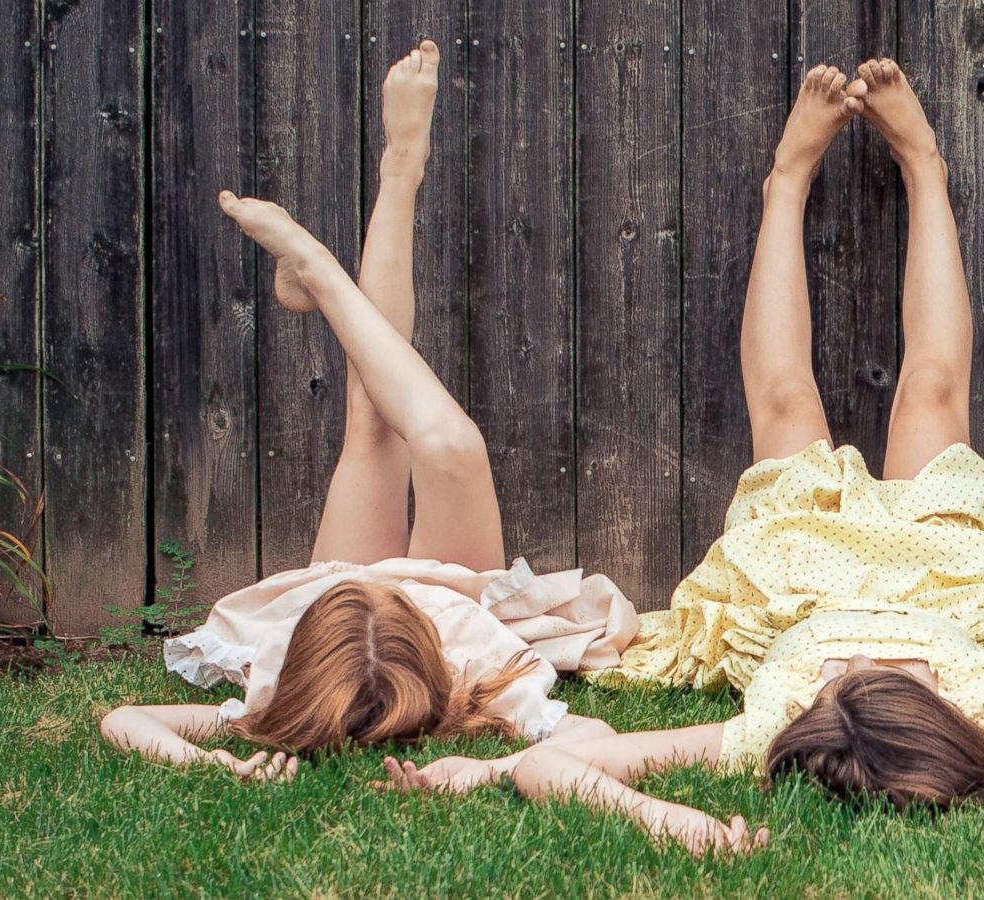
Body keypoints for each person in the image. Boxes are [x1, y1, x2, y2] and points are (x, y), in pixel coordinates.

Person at [376, 59, 984, 856]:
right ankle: (925, 169)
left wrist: (670, 821)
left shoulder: (772, 726)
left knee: (786, 400)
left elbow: (558, 769)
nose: (857, 668)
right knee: (932, 391)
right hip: (943, 575)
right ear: (947, 713)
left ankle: (786, 180)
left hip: (801, 575)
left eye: (842, 682)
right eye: (883, 680)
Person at [100, 41, 637, 781]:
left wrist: (222, 765)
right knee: (451, 446)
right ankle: (350, 232)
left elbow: (126, 721)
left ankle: (383, 187)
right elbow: (599, 734)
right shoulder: (473, 671)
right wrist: (481, 770)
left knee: (372, 418)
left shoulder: (276, 678)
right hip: (441, 605)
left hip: (337, 604)